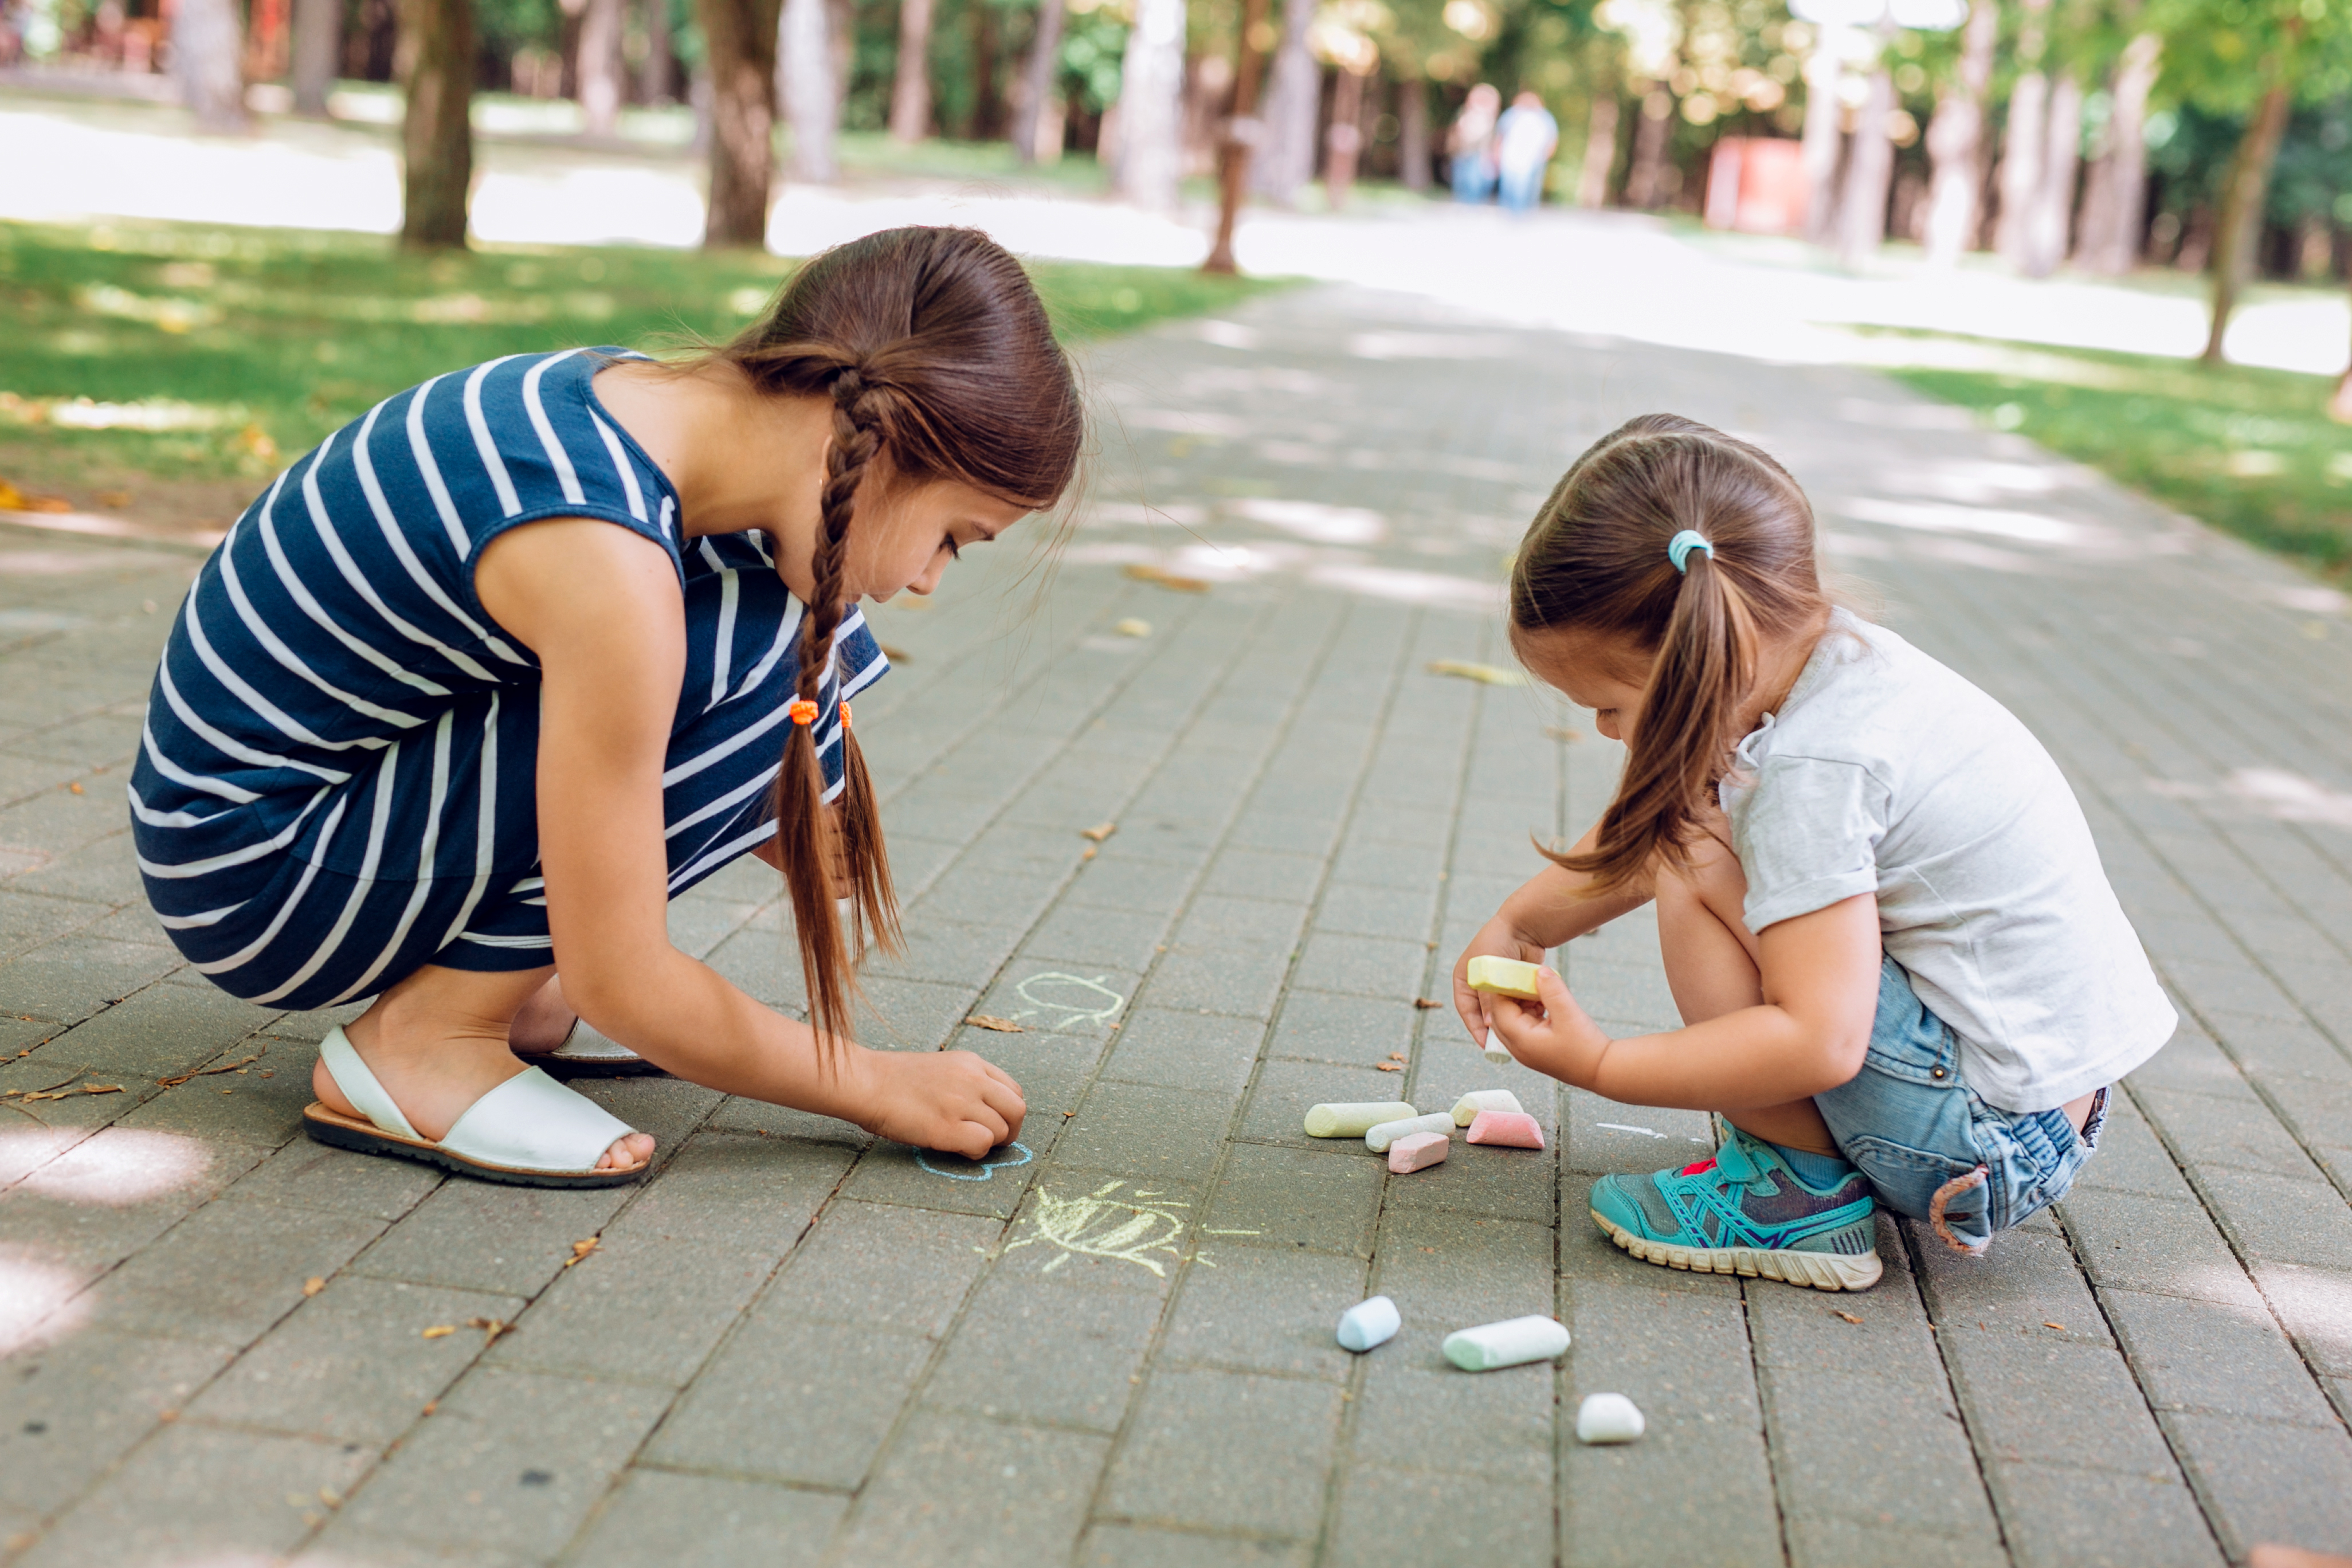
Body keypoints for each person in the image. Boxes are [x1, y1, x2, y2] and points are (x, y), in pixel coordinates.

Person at [131, 227, 1080, 1186]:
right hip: (253, 868)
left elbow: (806, 847)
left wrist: (802, 814)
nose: (926, 581)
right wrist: (875, 1083)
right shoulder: (605, 563)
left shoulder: (642, 410)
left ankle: (487, 984)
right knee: (754, 645)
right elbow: (621, 981)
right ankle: (430, 1038)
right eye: (954, 537)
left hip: (292, 811)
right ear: (862, 444)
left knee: (770, 605)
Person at [1453, 414, 2175, 1291]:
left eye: (1609, 702)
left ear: (1702, 656)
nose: (1605, 730)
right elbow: (1678, 808)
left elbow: (1818, 1039)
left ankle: (1794, 1196)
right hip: (2048, 1106)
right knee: (1701, 829)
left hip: (1984, 1138)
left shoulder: (1815, 770)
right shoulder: (1833, 663)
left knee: (1695, 857)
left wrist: (1603, 1067)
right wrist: (1519, 923)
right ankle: (1812, 1157)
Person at [1492, 89, 1558, 214]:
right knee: (1508, 183)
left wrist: (1546, 154)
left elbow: (1552, 137)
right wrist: (1497, 152)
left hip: (1533, 157)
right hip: (1510, 155)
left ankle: (1521, 211)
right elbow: (1500, 135)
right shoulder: (1511, 115)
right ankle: (1507, 210)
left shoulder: (1544, 117)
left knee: (1526, 185)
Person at [1447, 83, 1500, 203]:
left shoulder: (1490, 118)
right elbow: (1455, 133)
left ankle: (1473, 203)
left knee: (1476, 180)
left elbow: (1492, 138)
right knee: (1461, 179)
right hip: (1462, 151)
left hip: (1480, 153)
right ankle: (1463, 203)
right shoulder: (1464, 113)